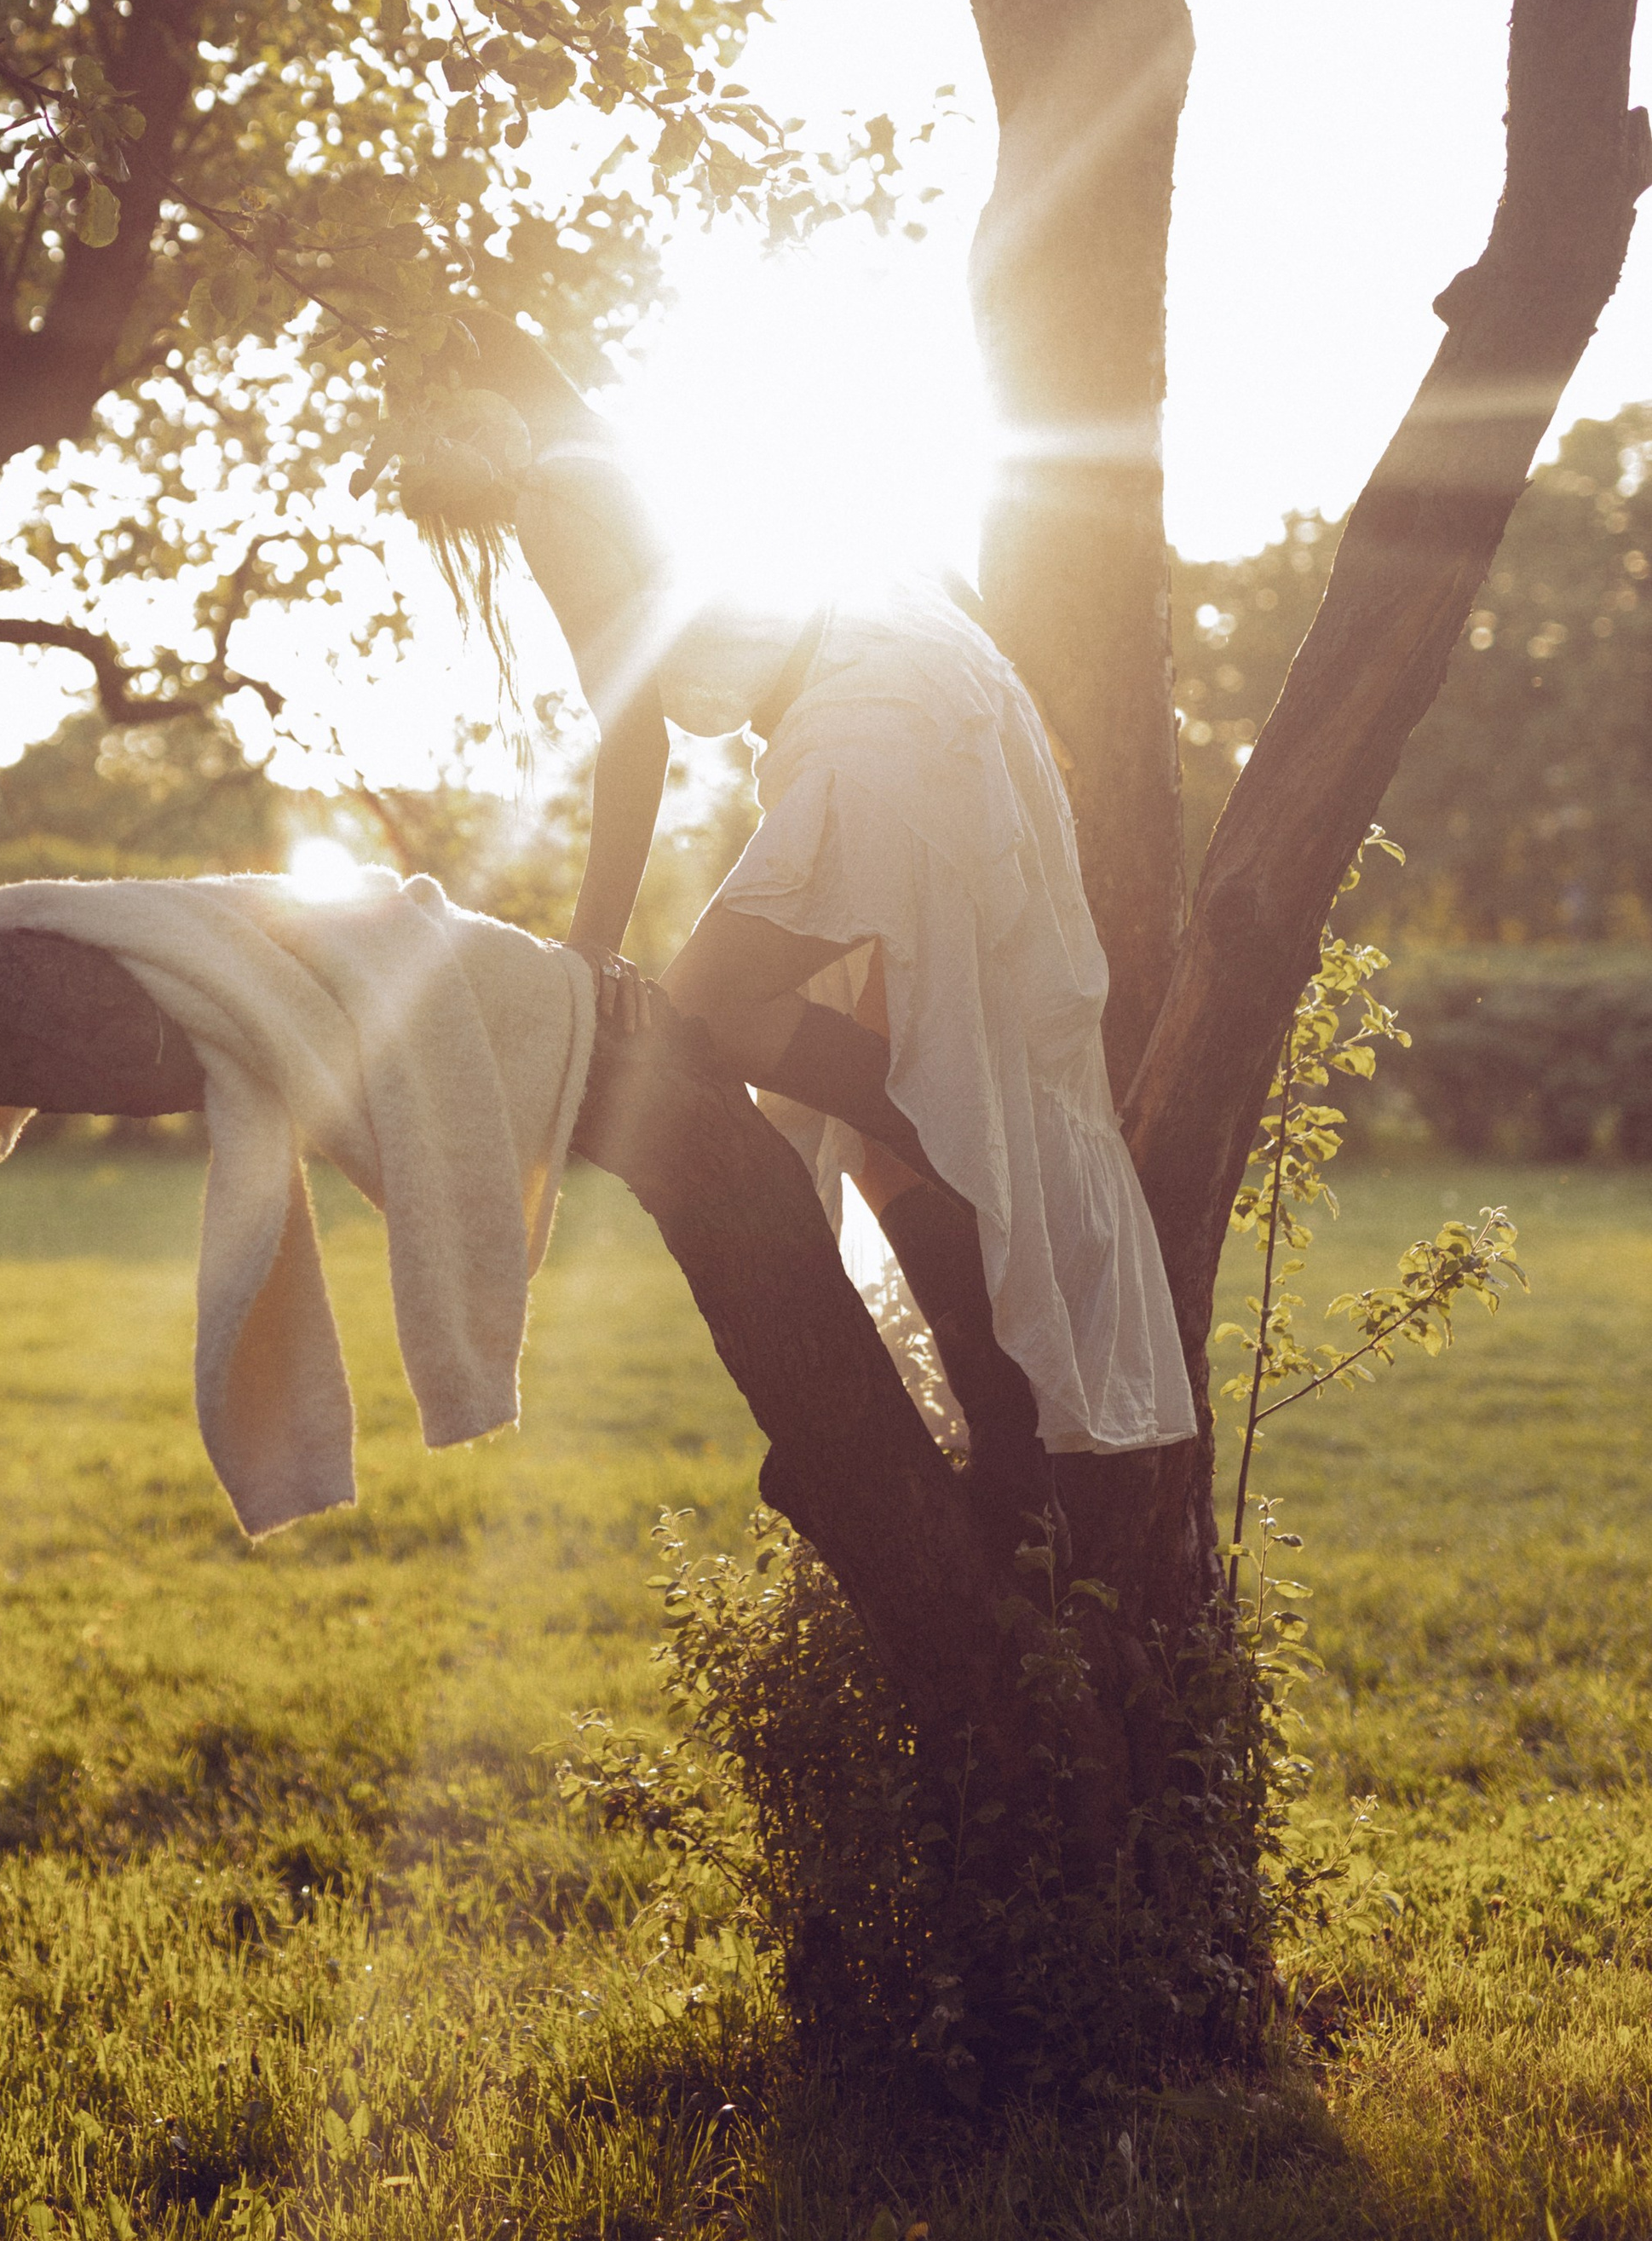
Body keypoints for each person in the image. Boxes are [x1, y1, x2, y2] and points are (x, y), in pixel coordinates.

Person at [360, 307, 1195, 1537]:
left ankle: (987, 1159)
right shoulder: (606, 461)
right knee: (872, 1144)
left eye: (419, 428)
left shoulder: (553, 487)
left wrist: (591, 946)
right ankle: (1015, 1455)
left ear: (472, 404)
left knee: (716, 1012)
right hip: (898, 686)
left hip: (884, 707)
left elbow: (632, 731)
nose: (419, 463)